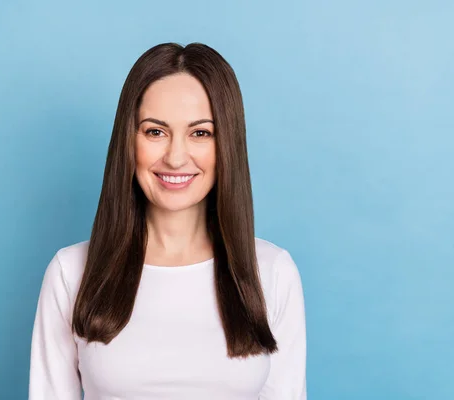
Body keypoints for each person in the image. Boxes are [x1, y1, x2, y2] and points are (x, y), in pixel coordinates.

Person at [29, 42, 307, 400]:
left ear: (227, 145)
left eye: (201, 133)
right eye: (155, 131)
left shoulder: (271, 271)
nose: (176, 157)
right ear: (128, 142)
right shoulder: (71, 272)